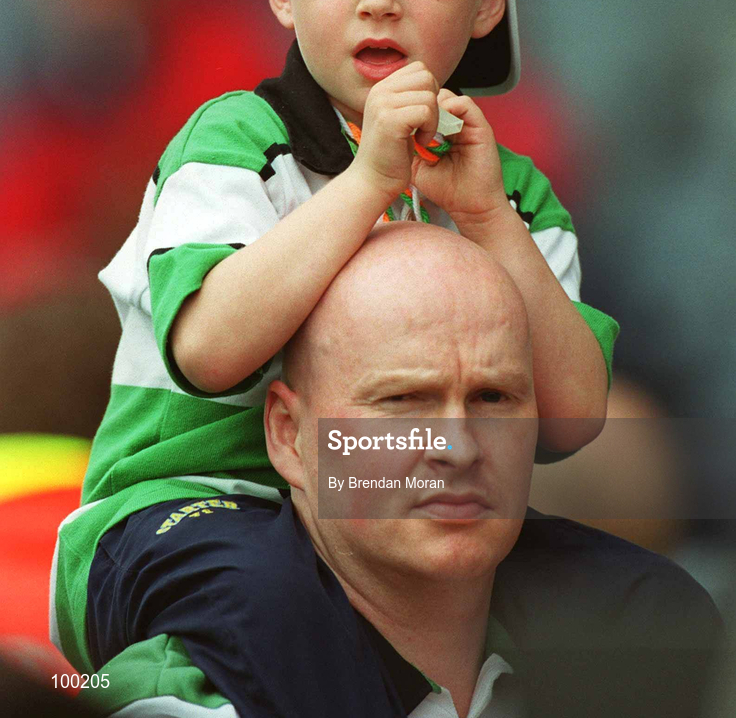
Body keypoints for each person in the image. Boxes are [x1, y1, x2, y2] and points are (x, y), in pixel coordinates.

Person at [53, 0, 619, 708]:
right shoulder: (233, 142)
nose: (380, 1)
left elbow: (569, 418)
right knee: (274, 604)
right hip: (188, 511)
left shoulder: (510, 191)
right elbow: (207, 348)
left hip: (414, 521)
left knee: (637, 599)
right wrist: (367, 186)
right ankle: (154, 684)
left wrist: (483, 221)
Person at [80, 225, 720, 717]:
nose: (458, 447)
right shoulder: (181, 697)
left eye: (494, 399)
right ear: (288, 436)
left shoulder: (646, 648)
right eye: (402, 401)